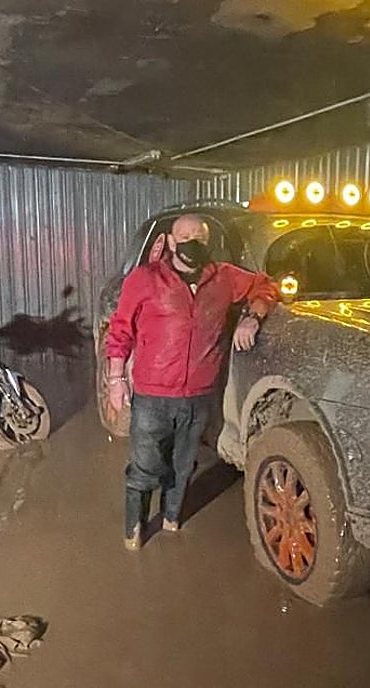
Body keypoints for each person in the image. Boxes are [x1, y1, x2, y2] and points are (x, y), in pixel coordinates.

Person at [104, 214, 277, 550]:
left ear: (207, 242)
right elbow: (120, 330)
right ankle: (133, 531)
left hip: (198, 396)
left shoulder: (224, 277)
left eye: (198, 237)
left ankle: (171, 521)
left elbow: (265, 285)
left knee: (183, 465)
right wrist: (115, 380)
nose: (191, 243)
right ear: (170, 241)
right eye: (184, 237)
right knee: (145, 466)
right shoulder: (144, 279)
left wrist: (252, 318)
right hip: (152, 396)